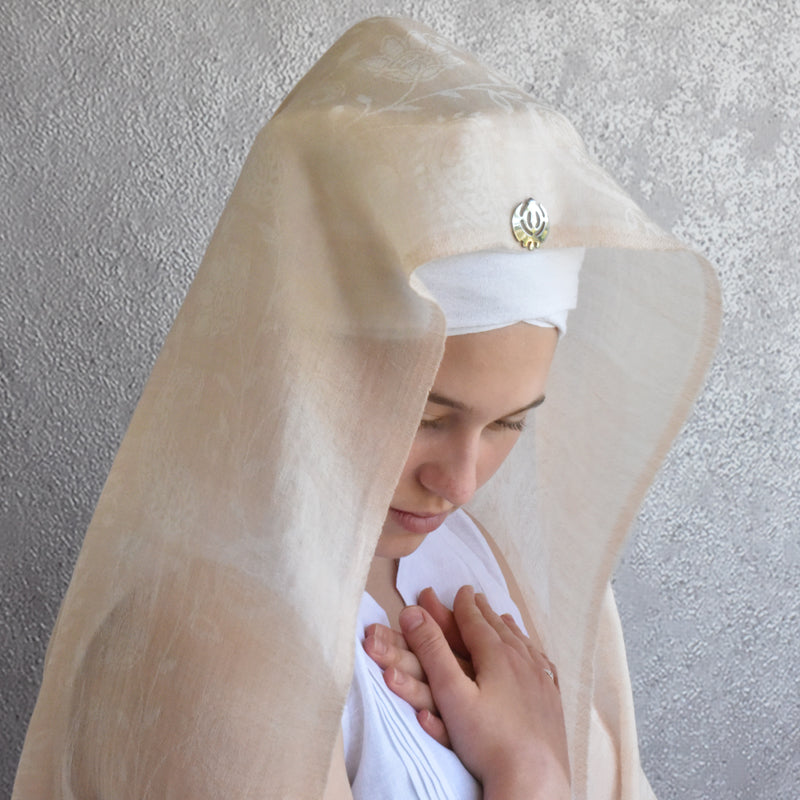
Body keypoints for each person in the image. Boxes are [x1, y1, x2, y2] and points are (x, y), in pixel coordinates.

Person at [12, 17, 720, 800]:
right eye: (428, 413)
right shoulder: (213, 648)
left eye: (510, 422)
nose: (459, 483)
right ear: (302, 366)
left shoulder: (476, 570)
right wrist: (531, 769)